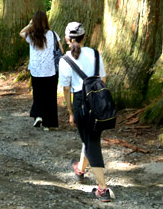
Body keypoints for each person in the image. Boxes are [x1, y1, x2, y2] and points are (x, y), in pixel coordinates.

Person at [59, 21, 114, 202]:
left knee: (91, 143)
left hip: (80, 101)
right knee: (90, 137)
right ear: (84, 36)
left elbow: (66, 89)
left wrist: (70, 111)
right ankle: (80, 169)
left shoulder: (65, 59)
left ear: (67, 39)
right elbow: (103, 78)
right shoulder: (95, 54)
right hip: (97, 100)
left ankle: (103, 189)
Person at [19, 10, 62, 130]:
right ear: (46, 21)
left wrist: (30, 25)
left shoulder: (31, 35)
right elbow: (61, 51)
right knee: (50, 96)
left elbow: (21, 32)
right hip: (50, 70)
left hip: (36, 70)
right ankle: (49, 123)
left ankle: (38, 115)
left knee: (38, 94)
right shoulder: (53, 34)